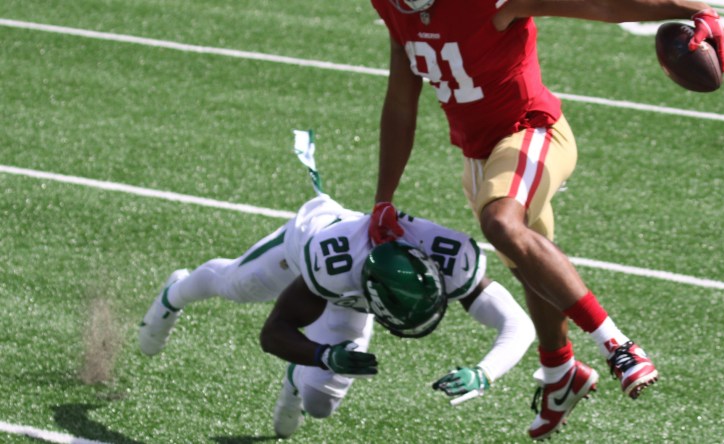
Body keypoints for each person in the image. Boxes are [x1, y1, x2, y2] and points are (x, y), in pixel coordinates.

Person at [368, 0, 724, 440]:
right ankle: (561, 371)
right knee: (529, 263)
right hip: (480, 158)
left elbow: (600, 4)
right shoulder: (394, 7)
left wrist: (692, 8)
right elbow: (401, 101)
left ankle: (618, 346)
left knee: (501, 222)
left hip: (531, 130)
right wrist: (383, 198)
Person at [138, 136, 537, 438]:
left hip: (357, 283)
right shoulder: (329, 266)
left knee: (322, 404)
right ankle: (175, 294)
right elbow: (272, 332)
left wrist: (484, 373)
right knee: (235, 285)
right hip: (303, 247)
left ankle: (298, 378)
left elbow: (519, 325)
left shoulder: (449, 258)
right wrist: (325, 353)